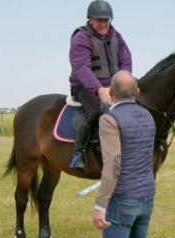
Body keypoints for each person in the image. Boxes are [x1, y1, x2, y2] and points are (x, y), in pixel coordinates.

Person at [91, 71, 155, 238]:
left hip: (122, 199)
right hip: (146, 196)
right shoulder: (149, 116)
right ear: (138, 92)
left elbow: (113, 165)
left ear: (112, 95)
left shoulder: (109, 118)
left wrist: (100, 204)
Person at [68, 0, 132, 171]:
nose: (103, 24)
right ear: (90, 19)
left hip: (112, 85)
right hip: (85, 86)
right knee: (96, 109)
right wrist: (98, 89)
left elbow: (126, 60)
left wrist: (124, 80)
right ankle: (78, 154)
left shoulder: (116, 36)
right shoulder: (81, 37)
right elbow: (81, 68)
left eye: (106, 20)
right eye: (99, 20)